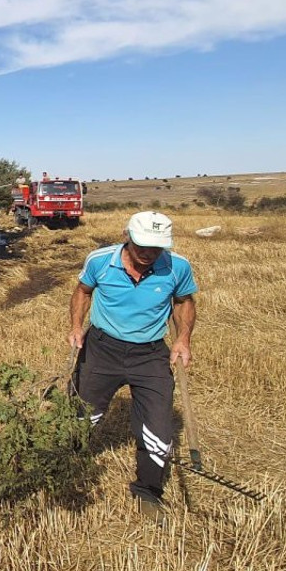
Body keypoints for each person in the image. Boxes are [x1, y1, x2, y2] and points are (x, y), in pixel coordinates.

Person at [68, 211, 197, 522]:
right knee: (81, 417)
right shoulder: (100, 260)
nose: (149, 254)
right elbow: (84, 292)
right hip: (101, 349)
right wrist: (76, 325)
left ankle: (148, 492)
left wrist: (183, 339)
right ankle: (66, 468)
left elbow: (184, 302)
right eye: (143, 246)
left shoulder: (177, 266)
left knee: (158, 430)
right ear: (128, 235)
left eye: (157, 248)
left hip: (150, 354)